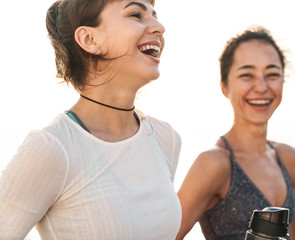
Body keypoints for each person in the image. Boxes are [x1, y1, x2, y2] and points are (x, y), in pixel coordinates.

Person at [0, 0, 182, 239]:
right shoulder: (53, 148)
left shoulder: (164, 137)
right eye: (136, 14)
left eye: (154, 15)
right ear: (89, 39)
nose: (159, 27)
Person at [176, 26, 295, 240]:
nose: (261, 87)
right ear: (224, 86)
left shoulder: (289, 158)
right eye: (247, 75)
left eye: (272, 74)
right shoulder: (214, 164)